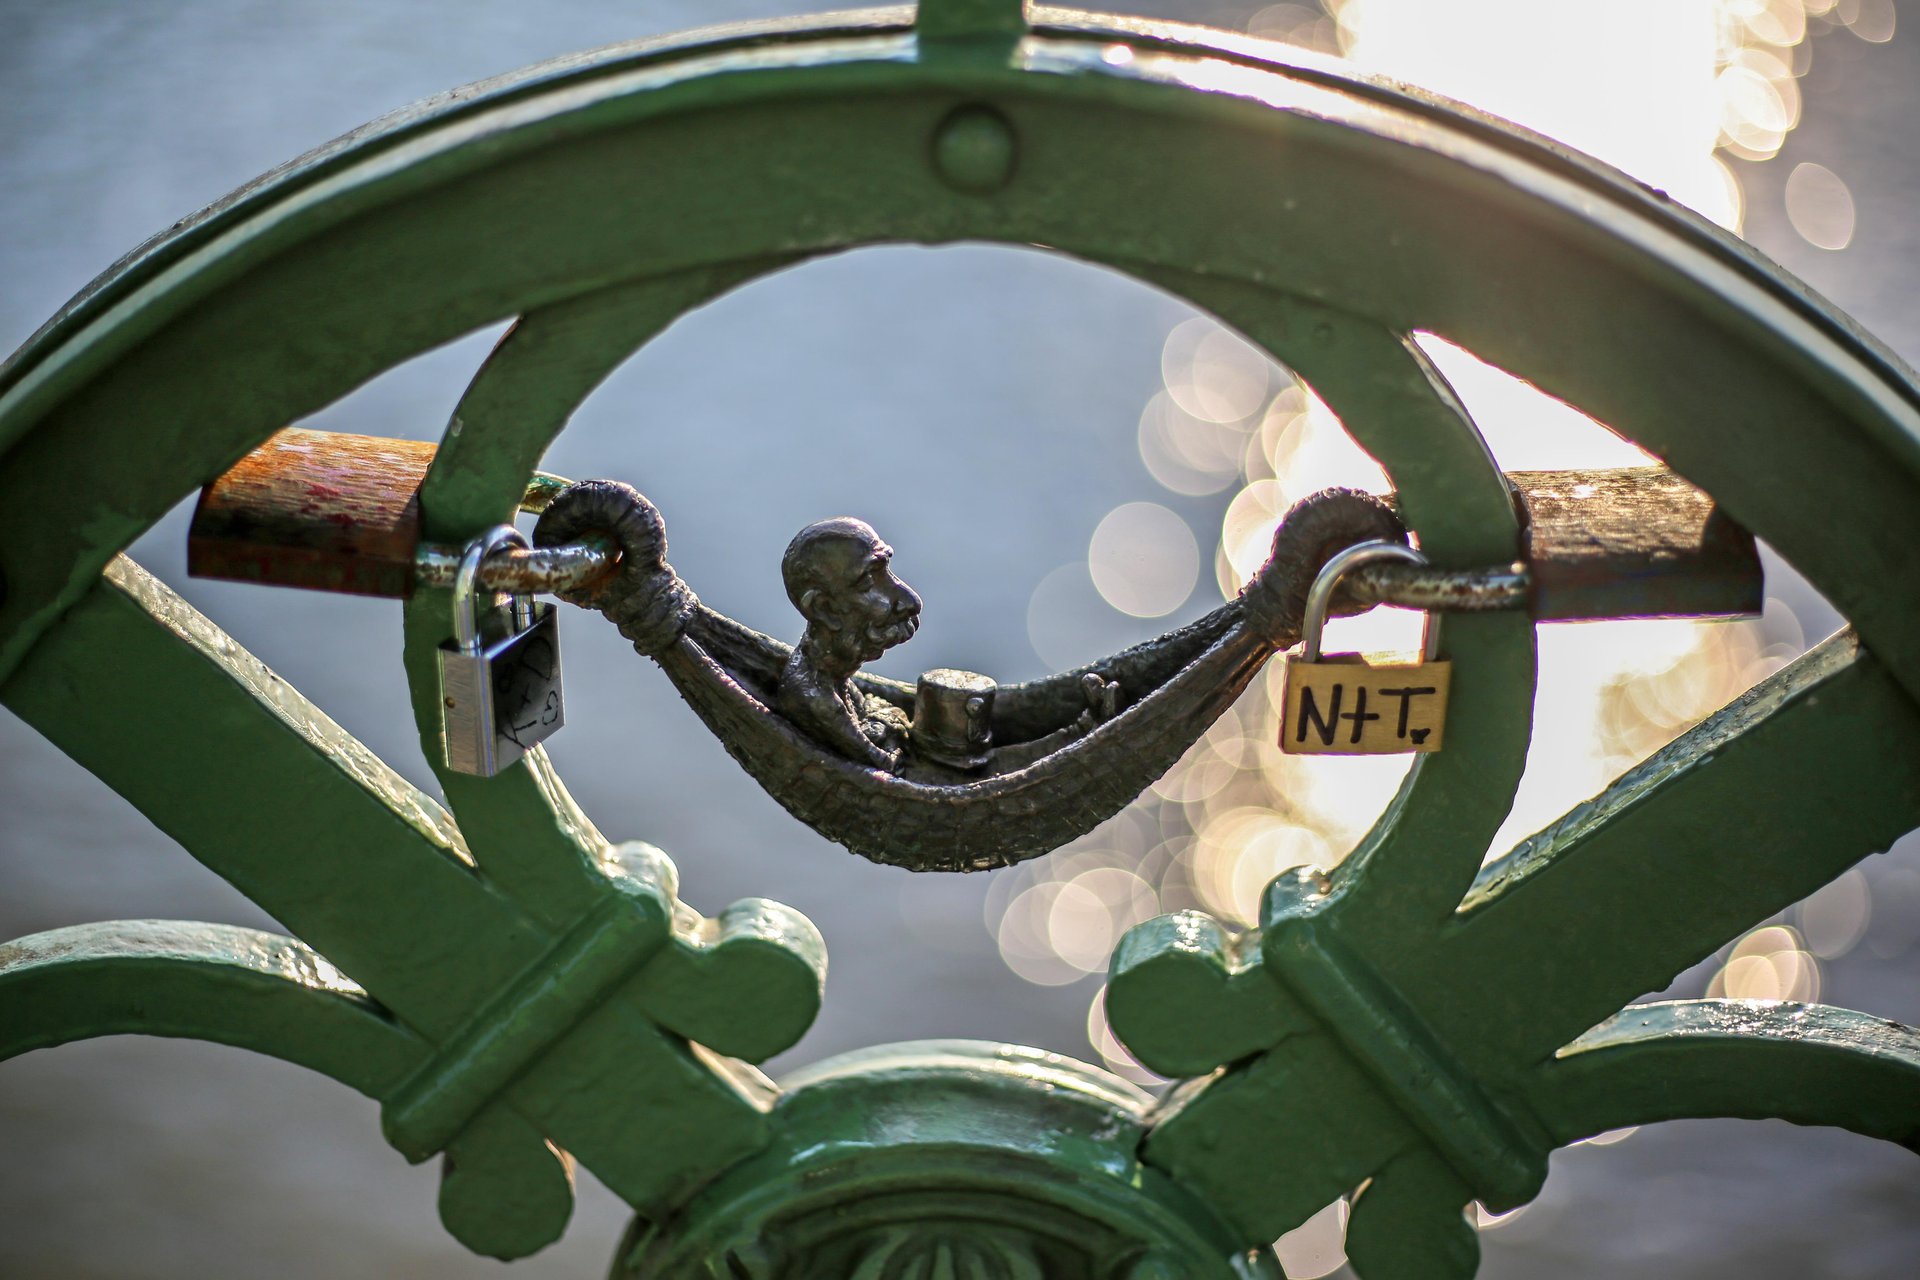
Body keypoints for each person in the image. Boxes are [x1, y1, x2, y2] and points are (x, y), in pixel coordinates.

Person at [776, 517, 923, 770]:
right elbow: (887, 766)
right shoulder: (817, 700)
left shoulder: (836, 678)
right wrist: (892, 723)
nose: (910, 601)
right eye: (868, 581)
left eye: (886, 571)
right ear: (825, 609)